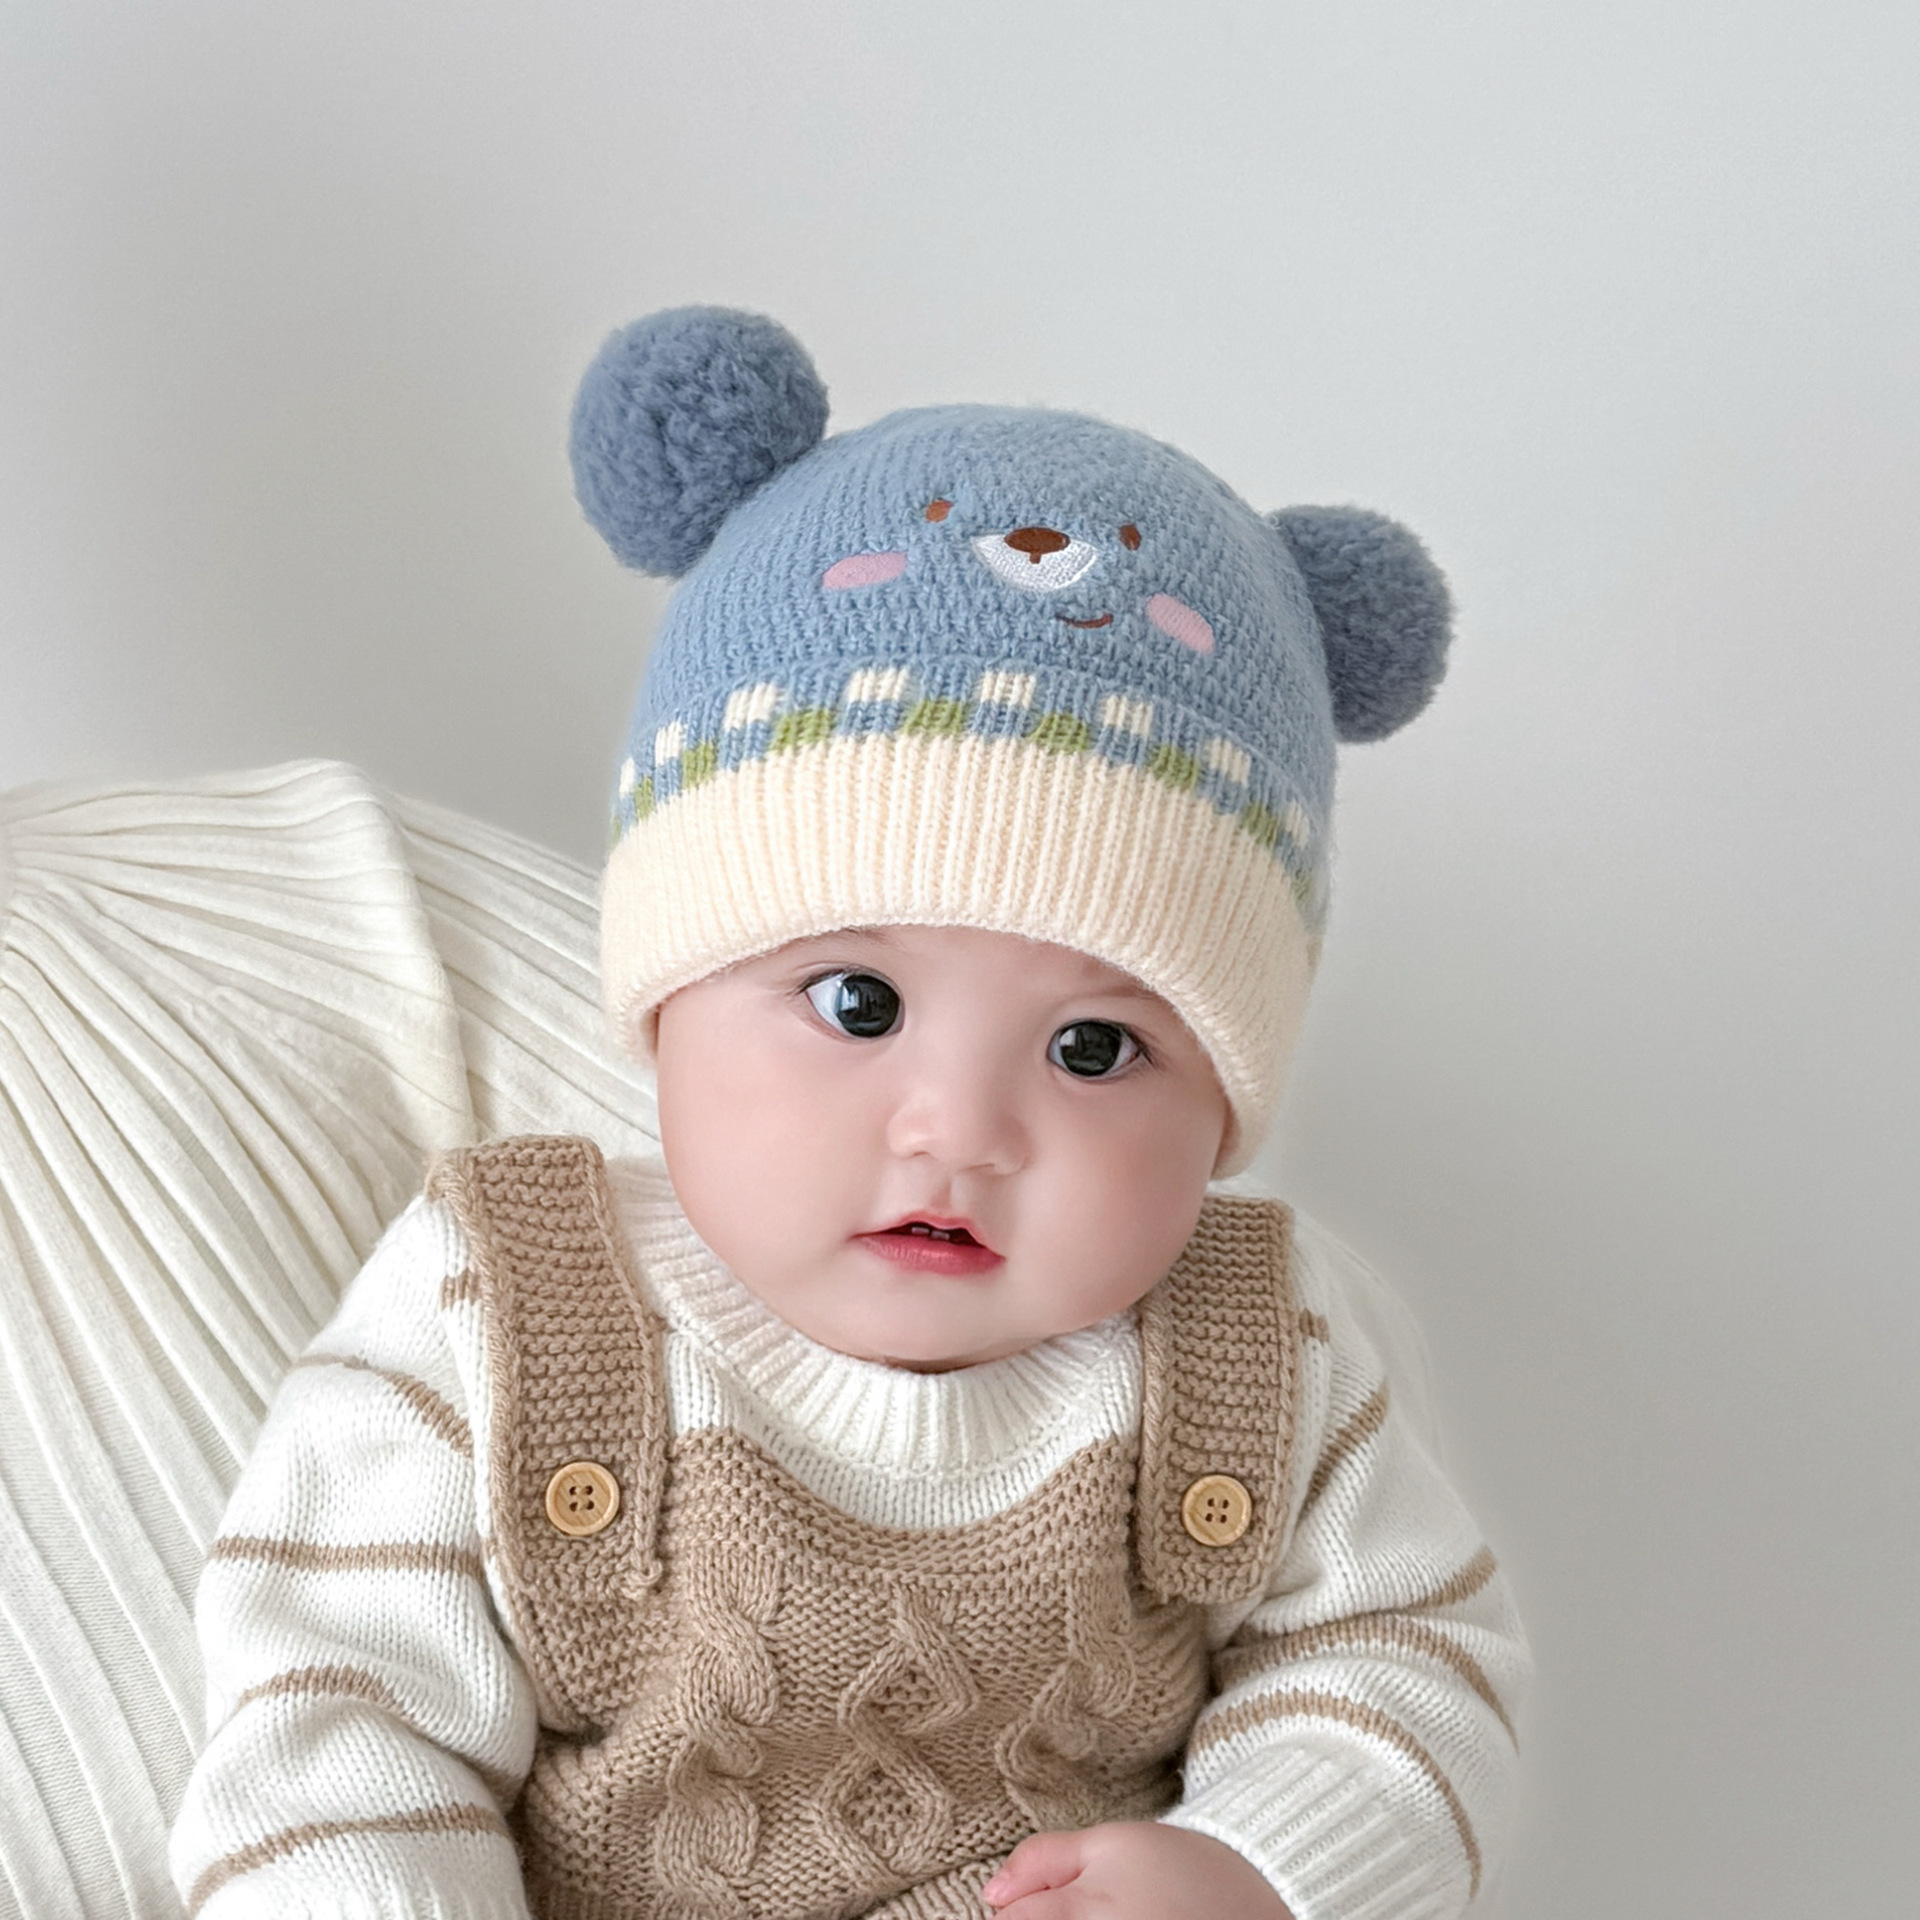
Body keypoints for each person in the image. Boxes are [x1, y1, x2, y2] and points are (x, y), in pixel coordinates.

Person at [169, 308, 1529, 1920]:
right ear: (667, 1003)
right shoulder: (503, 1311)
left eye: (1096, 1049)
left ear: (1222, 1103)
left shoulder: (1266, 1348)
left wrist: (1258, 1860)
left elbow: (1408, 1658)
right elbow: (334, 1730)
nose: (958, 1128)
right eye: (857, 1006)